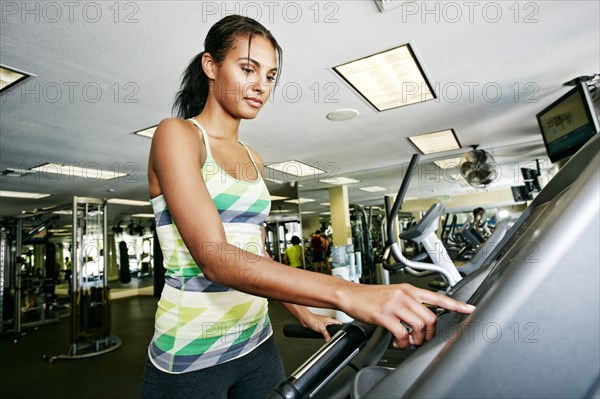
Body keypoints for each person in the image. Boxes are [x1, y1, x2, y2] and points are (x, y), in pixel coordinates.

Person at [141, 14, 473, 399]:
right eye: (248, 69)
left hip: (256, 342)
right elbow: (216, 259)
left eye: (270, 76)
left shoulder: (253, 158)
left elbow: (257, 254)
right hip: (191, 356)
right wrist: (349, 292)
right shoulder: (177, 135)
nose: (260, 86)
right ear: (211, 66)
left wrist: (303, 311)